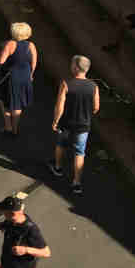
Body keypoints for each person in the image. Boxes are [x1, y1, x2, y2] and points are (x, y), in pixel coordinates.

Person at [50, 55, 99, 195]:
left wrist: (55, 121)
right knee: (79, 153)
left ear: (76, 67)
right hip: (83, 125)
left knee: (60, 144)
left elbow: (60, 106)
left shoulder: (66, 84)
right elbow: (96, 107)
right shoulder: (93, 86)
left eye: (72, 64)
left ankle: (58, 168)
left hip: (66, 123)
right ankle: (76, 182)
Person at [0, 23, 37, 135]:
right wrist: (31, 75)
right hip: (25, 76)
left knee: (5, 102)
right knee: (17, 104)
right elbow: (33, 63)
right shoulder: (31, 45)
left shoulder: (10, 44)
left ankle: (8, 127)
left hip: (11, 77)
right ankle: (15, 129)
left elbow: (1, 61)